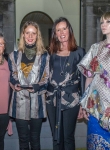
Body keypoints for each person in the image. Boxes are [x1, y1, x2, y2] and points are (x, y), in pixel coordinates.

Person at [8, 21, 49, 150]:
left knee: (35, 140)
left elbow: (47, 78)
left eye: (33, 33)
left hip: (37, 102)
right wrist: (15, 83)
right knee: (23, 141)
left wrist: (37, 87)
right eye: (27, 33)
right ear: (23, 35)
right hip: (19, 102)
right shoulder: (13, 55)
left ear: (37, 36)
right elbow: (12, 75)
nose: (30, 36)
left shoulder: (44, 56)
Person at [46, 17, 85, 150]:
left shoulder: (79, 52)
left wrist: (82, 104)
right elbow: (46, 75)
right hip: (52, 100)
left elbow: (84, 80)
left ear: (69, 30)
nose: (62, 32)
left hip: (71, 100)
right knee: (56, 136)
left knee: (68, 137)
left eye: (64, 28)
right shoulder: (50, 52)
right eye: (58, 30)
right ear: (55, 34)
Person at [78, 12, 110, 149]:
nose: (103, 25)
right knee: (96, 144)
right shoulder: (95, 48)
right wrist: (85, 104)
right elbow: (89, 77)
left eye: (108, 22)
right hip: (96, 104)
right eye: (102, 22)